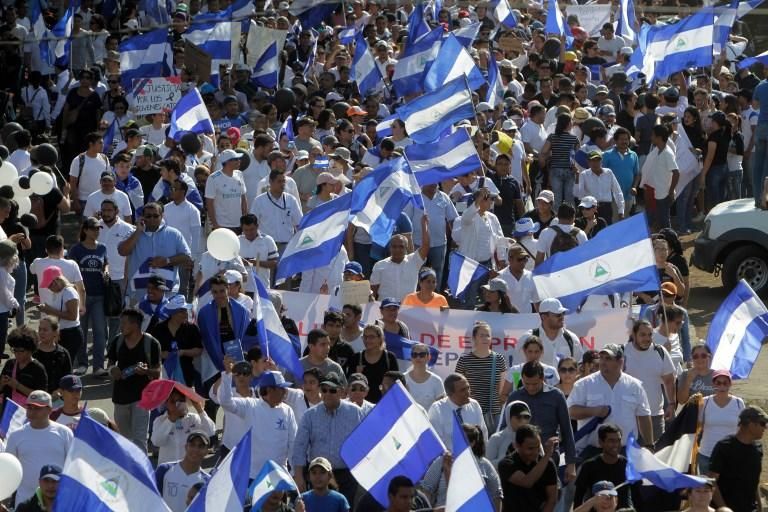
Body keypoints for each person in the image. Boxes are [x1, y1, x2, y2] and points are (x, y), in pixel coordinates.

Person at [567, 344, 653, 460]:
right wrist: (593, 411)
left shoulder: (635, 386)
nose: (602, 362)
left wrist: (649, 445)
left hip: (625, 451)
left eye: (608, 359)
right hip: (592, 451)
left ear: (620, 362)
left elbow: (644, 416)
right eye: (601, 358)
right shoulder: (584, 384)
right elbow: (571, 412)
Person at [292, 372, 365, 506]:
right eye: (324, 390)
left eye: (332, 390)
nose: (327, 394)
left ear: (342, 391)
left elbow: (365, 443)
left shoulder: (355, 413)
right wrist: (299, 476)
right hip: (318, 474)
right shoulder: (310, 415)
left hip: (346, 475)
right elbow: (299, 447)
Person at [218, 365, 298, 478]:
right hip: (253, 476)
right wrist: (227, 375)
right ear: (270, 390)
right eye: (282, 389)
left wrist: (294, 472)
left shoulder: (287, 410)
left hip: (279, 476)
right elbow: (226, 402)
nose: (286, 392)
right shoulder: (250, 406)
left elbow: (293, 443)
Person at [508, 361, 577, 483]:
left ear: (543, 378)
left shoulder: (556, 396)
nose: (530, 388)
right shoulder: (515, 397)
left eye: (534, 384)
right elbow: (505, 428)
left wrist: (571, 463)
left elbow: (567, 429)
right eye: (526, 383)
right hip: (521, 458)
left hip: (549, 456)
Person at [5, 390, 73, 508]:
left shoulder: (64, 433)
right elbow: (8, 472)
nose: (32, 412)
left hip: (58, 502)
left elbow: (72, 467)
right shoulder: (16, 436)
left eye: (37, 408)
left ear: (49, 409)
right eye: (29, 407)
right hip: (25, 503)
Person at [107, 307, 162, 450]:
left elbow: (157, 372)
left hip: (142, 398)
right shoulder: (117, 341)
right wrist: (113, 370)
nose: (121, 326)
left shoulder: (152, 343)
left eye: (124, 323)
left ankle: (140, 470)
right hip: (120, 398)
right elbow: (110, 364)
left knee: (139, 439)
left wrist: (146, 371)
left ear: (135, 325)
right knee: (123, 439)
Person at [118, 201, 192, 302]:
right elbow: (122, 251)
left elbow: (186, 257)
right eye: (148, 216)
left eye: (155, 216)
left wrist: (166, 261)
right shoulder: (133, 233)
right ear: (143, 217)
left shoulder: (174, 234)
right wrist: (138, 231)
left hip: (167, 295)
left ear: (162, 216)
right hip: (139, 295)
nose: (152, 219)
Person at [420, 424, 503, 511]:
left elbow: (497, 494)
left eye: (461, 440)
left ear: (472, 443)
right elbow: (426, 490)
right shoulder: (443, 461)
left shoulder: (485, 465)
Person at [622, 319, 677, 443]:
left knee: (654, 455)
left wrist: (672, 404)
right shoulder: (622, 352)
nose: (647, 338)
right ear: (634, 335)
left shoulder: (660, 352)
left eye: (650, 334)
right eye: (642, 335)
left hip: (655, 415)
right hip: (628, 415)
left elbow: (669, 380)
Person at [68, 216, 109, 376]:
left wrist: (106, 271)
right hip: (81, 296)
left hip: (99, 295)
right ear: (85, 230)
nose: (97, 231)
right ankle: (83, 363)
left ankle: (98, 366)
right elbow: (70, 272)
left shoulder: (102, 248)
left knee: (100, 332)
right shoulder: (76, 249)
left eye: (98, 228)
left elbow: (106, 263)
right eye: (93, 228)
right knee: (81, 332)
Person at [708, 406, 767, 512]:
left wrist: (760, 505)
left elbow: (754, 481)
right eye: (762, 423)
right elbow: (712, 481)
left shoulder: (758, 448)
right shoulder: (724, 446)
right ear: (750, 424)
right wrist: (724, 508)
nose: (765, 428)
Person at [455, 321, 508, 431]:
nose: (485, 338)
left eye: (487, 335)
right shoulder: (464, 360)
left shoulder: (499, 359)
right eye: (481, 335)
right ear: (474, 338)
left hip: (493, 413)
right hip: (470, 412)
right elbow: (456, 387)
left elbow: (502, 389)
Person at [97, 198, 135, 341]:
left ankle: (113, 343)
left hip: (119, 278)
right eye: (103, 210)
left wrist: (127, 278)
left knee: (116, 315)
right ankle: (102, 341)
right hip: (98, 278)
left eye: (109, 210)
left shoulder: (128, 229)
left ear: (117, 211)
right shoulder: (95, 227)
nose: (106, 213)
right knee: (99, 314)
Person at [498, 424, 558, 512]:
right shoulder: (506, 464)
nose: (535, 452)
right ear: (518, 445)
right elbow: (527, 482)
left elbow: (552, 499)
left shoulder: (548, 464)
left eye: (538, 447)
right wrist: (547, 455)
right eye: (530, 448)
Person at [151, 385, 216, 465]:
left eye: (180, 401)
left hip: (189, 469)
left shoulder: (193, 419)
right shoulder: (160, 420)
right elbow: (157, 442)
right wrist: (171, 420)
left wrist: (200, 410)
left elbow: (210, 432)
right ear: (166, 403)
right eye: (172, 401)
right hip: (168, 470)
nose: (177, 405)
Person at [697, 370, 745, 475]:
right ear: (713, 384)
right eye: (718, 383)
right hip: (707, 455)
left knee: (728, 490)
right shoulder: (704, 402)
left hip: (731, 455)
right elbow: (697, 426)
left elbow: (744, 429)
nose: (722, 386)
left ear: (730, 384)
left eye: (725, 383)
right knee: (707, 490)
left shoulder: (738, 403)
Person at [148, 294, 202, 388]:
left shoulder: (192, 328)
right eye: (182, 311)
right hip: (162, 375)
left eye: (185, 310)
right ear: (172, 313)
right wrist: (161, 354)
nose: (185, 313)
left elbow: (199, 349)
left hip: (186, 375)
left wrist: (183, 352)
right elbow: (151, 350)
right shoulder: (159, 328)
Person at [370, 217, 430, 301]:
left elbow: (426, 245)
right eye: (394, 246)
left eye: (401, 247)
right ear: (390, 248)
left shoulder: (414, 261)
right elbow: (373, 292)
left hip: (407, 309)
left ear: (406, 248)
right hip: (386, 310)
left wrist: (424, 225)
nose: (397, 249)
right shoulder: (379, 265)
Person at [574, 424, 633, 508]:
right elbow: (578, 498)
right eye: (611, 441)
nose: (616, 444)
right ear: (601, 442)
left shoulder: (628, 465)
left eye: (618, 440)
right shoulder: (589, 466)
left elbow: (637, 496)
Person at [517, 298, 583, 367]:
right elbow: (516, 371)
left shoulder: (572, 338)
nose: (562, 317)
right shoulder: (526, 338)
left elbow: (579, 367)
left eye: (563, 313)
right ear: (544, 317)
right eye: (558, 315)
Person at [36, 266, 83, 365]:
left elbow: (73, 316)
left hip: (71, 334)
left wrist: (49, 310)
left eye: (49, 285)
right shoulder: (58, 292)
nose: (48, 288)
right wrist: (47, 309)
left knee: (65, 366)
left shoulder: (69, 293)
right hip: (61, 333)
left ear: (57, 280)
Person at [428, 373, 488, 449]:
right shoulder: (437, 409)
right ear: (450, 393)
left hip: (474, 457)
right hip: (450, 458)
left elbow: (483, 433)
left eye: (468, 388)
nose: (468, 392)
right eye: (463, 390)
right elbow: (436, 440)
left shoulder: (474, 405)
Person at [155, 431, 211, 512]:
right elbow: (152, 498)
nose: (196, 449)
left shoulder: (207, 482)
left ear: (207, 451)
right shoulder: (164, 470)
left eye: (201, 446)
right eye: (192, 445)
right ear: (186, 447)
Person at [640, 124, 679, 230]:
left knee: (664, 223)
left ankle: (669, 243)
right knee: (655, 220)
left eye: (652, 135)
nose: (651, 137)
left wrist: (671, 191)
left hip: (663, 194)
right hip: (654, 192)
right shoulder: (656, 151)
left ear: (659, 137)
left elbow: (676, 173)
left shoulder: (667, 153)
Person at [348, 324, 399, 403]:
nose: (367, 340)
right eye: (365, 337)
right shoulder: (356, 358)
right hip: (360, 405)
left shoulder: (389, 358)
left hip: (384, 404)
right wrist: (357, 374)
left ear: (380, 338)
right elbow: (349, 384)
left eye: (371, 337)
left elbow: (396, 384)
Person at [539, 113, 581, 208]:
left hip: (555, 169)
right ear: (568, 124)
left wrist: (548, 157)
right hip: (570, 170)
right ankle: (570, 219)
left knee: (556, 198)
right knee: (569, 199)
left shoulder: (552, 137)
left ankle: (556, 218)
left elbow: (544, 151)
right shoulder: (574, 139)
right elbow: (578, 156)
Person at [1, 327, 48, 406]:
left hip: (28, 412)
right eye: (15, 350)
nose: (17, 354)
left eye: (21, 351)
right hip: (7, 410)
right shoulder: (9, 364)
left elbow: (41, 397)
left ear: (30, 350)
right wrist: (2, 383)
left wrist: (17, 386)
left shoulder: (38, 369)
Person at [575, 151, 625, 224]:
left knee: (606, 232)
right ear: (588, 162)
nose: (595, 163)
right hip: (590, 208)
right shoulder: (584, 174)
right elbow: (580, 195)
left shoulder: (609, 172)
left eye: (598, 160)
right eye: (593, 161)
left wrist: (621, 211)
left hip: (606, 208)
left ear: (601, 161)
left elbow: (617, 192)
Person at [205, 149, 248, 232]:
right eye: (236, 159)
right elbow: (209, 203)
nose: (239, 161)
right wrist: (215, 225)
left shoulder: (239, 174)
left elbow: (243, 198)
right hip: (221, 225)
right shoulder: (213, 178)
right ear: (227, 162)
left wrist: (244, 221)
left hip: (238, 225)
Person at [487, 401, 533, 466]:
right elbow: (486, 466)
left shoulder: (533, 438)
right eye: (518, 417)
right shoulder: (496, 438)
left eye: (526, 417)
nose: (523, 421)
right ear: (509, 418)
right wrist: (508, 459)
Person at [34, 318, 72, 394]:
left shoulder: (63, 353)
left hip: (57, 398)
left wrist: (60, 391)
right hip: (35, 397)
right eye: (40, 329)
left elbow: (68, 378)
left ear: (55, 332)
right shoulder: (32, 351)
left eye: (45, 330)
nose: (41, 332)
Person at [404, 342, 445, 411]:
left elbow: (441, 407)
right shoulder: (403, 378)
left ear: (429, 357)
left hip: (429, 421)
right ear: (411, 357)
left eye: (422, 355)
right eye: (414, 355)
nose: (418, 357)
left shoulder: (437, 381)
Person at [497, 244, 537, 314]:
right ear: (510, 259)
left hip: (527, 319)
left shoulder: (531, 276)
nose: (523, 262)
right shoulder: (499, 276)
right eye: (520, 259)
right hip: (506, 320)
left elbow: (536, 300)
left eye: (525, 259)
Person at [0, 239, 19, 359]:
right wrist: (16, 305)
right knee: (1, 337)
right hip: (1, 311)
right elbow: (4, 294)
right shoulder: (1, 273)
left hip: (2, 310)